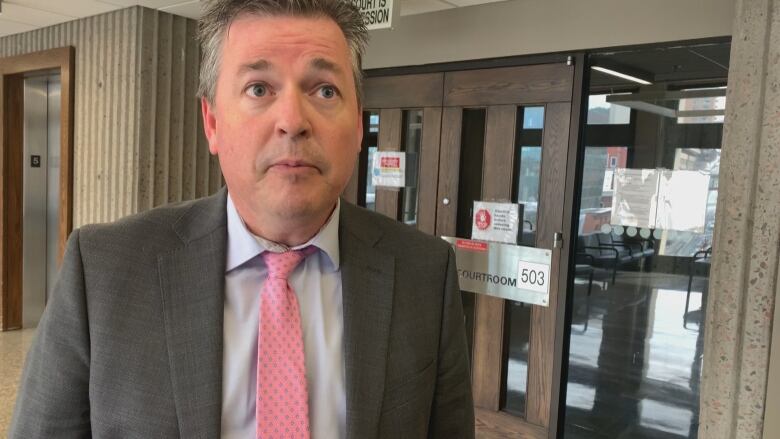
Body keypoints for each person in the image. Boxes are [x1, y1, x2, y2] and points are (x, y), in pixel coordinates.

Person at [10, 0, 474, 437]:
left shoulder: (424, 273)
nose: (293, 120)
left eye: (325, 90)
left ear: (357, 126)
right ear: (211, 122)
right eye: (259, 88)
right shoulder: (105, 270)